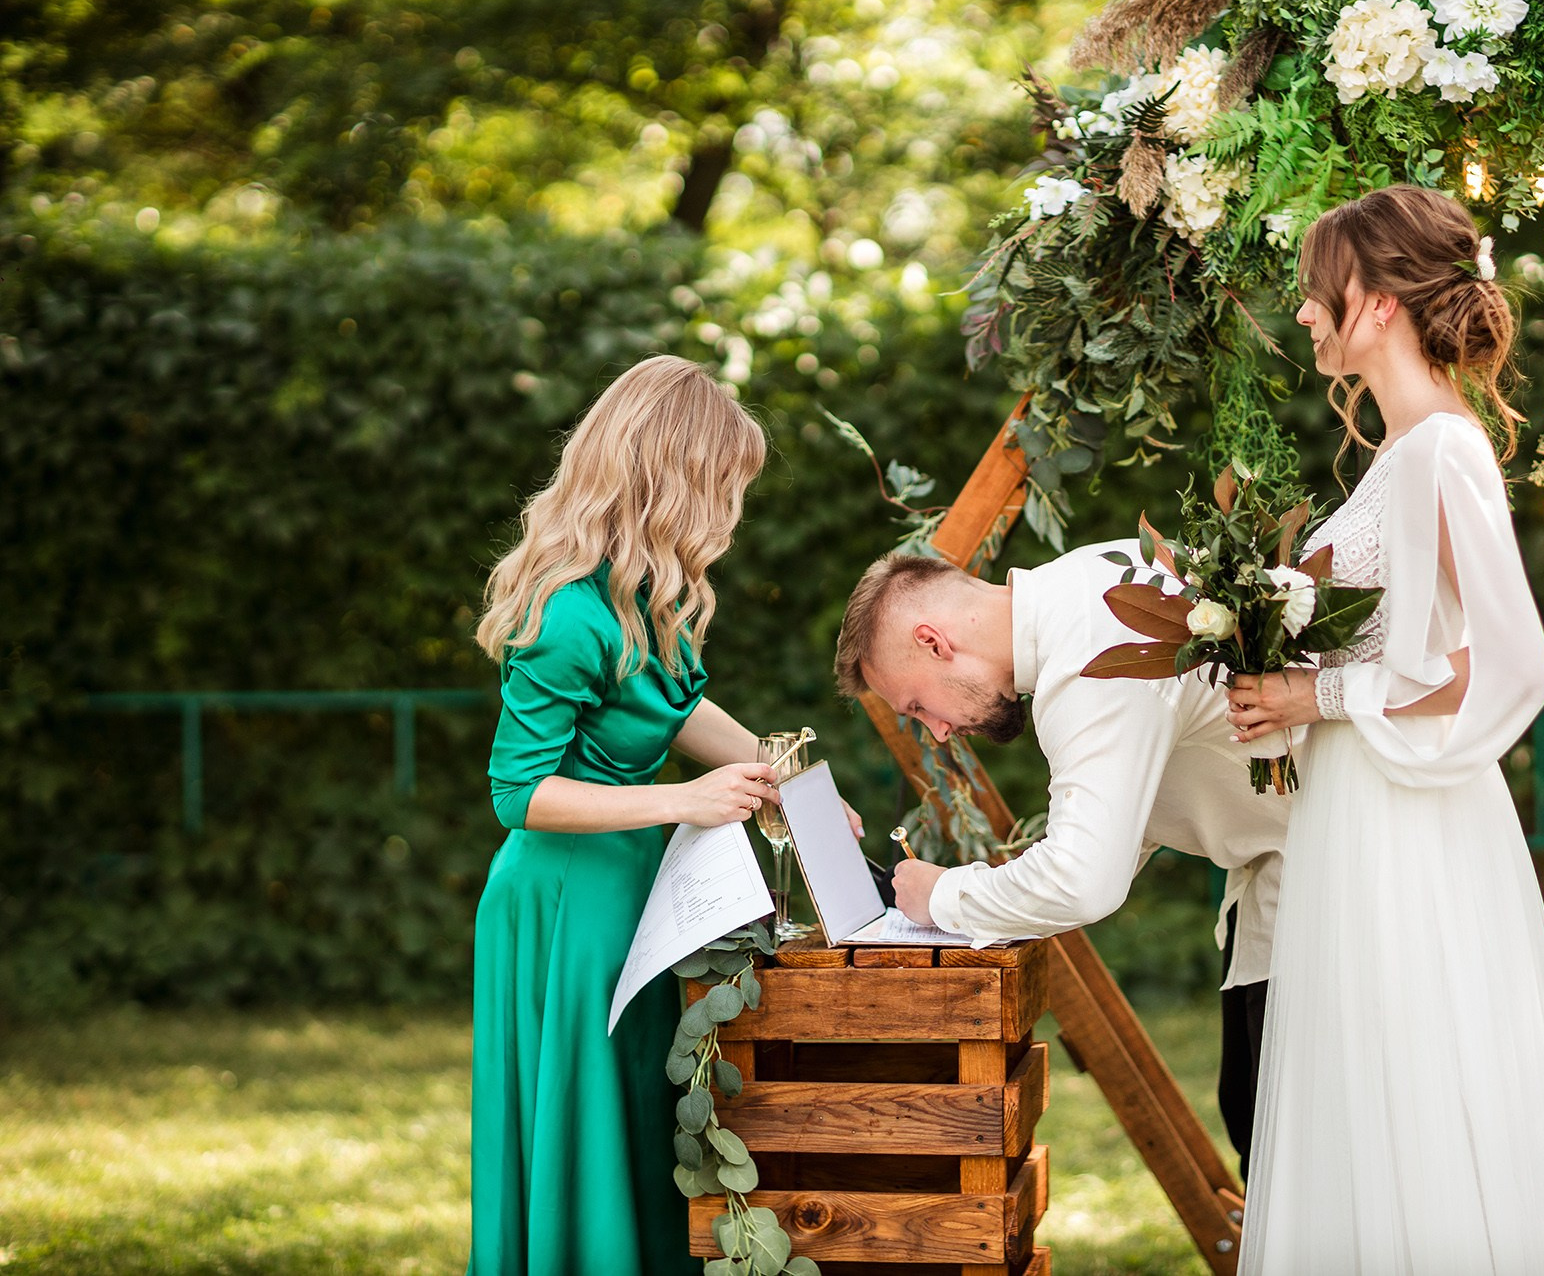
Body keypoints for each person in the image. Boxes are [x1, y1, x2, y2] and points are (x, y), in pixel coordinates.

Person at [1223, 185, 1544, 1273]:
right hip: (1358, 810)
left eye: (1321, 293)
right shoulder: (1397, 456)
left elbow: (1505, 659)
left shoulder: (1441, 451)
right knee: (1368, 1084)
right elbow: (1401, 643)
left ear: (1382, 303)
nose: (1304, 313)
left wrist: (1320, 698)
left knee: (1417, 1075)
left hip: (1406, 817)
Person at [468, 355, 782, 1276]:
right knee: (588, 1125)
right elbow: (518, 795)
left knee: (644, 1118)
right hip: (566, 907)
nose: (731, 513)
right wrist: (683, 801)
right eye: (724, 488)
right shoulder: (568, 613)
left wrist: (790, 779)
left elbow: (678, 711)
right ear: (672, 481)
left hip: (636, 894)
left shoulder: (648, 603)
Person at [833, 543, 1289, 1172]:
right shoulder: (1091, 579)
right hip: (1272, 875)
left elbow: (1085, 880)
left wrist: (941, 897)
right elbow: (1120, 825)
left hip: (1325, 880)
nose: (936, 732)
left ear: (934, 642)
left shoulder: (1085, 659)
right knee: (1251, 1117)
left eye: (916, 706)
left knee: (1284, 1146)